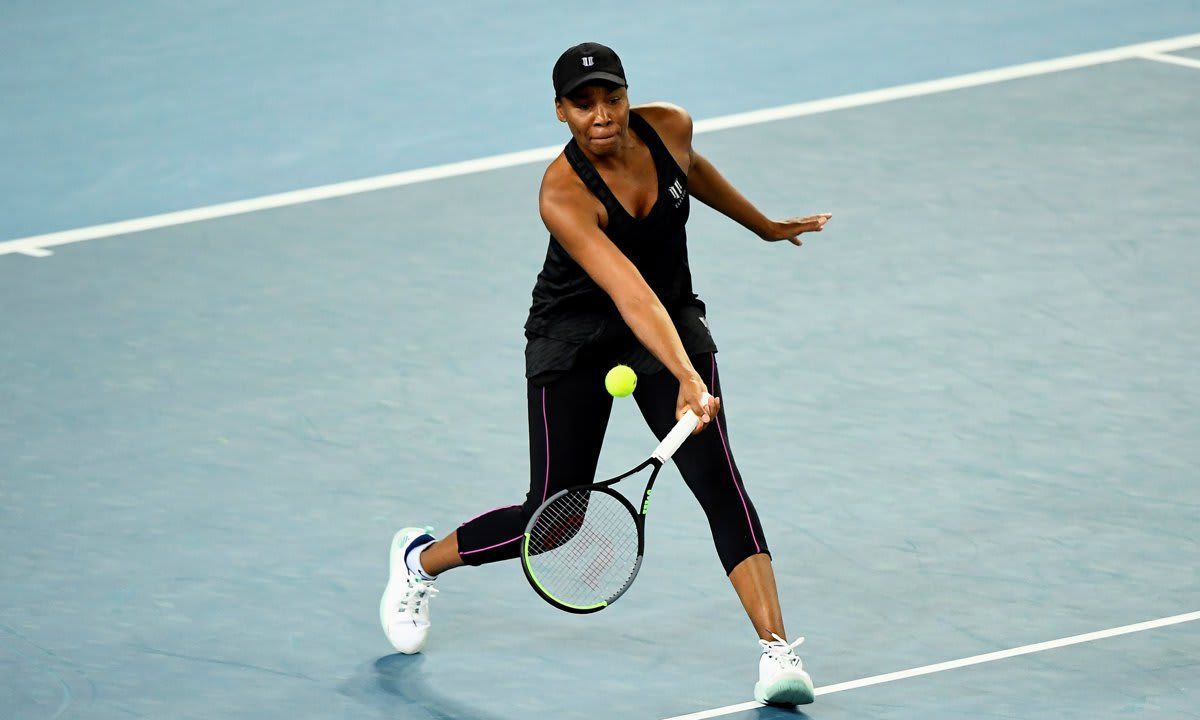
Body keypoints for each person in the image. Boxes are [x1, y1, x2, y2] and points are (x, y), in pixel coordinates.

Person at [380, 42, 831, 706]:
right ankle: (420, 561)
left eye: (611, 98)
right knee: (555, 520)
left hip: (668, 314)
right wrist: (685, 371)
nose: (601, 115)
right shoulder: (561, 193)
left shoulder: (670, 125)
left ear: (627, 96)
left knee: (718, 478)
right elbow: (628, 294)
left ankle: (775, 652)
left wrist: (761, 225)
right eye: (583, 104)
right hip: (576, 334)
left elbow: (692, 169)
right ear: (560, 112)